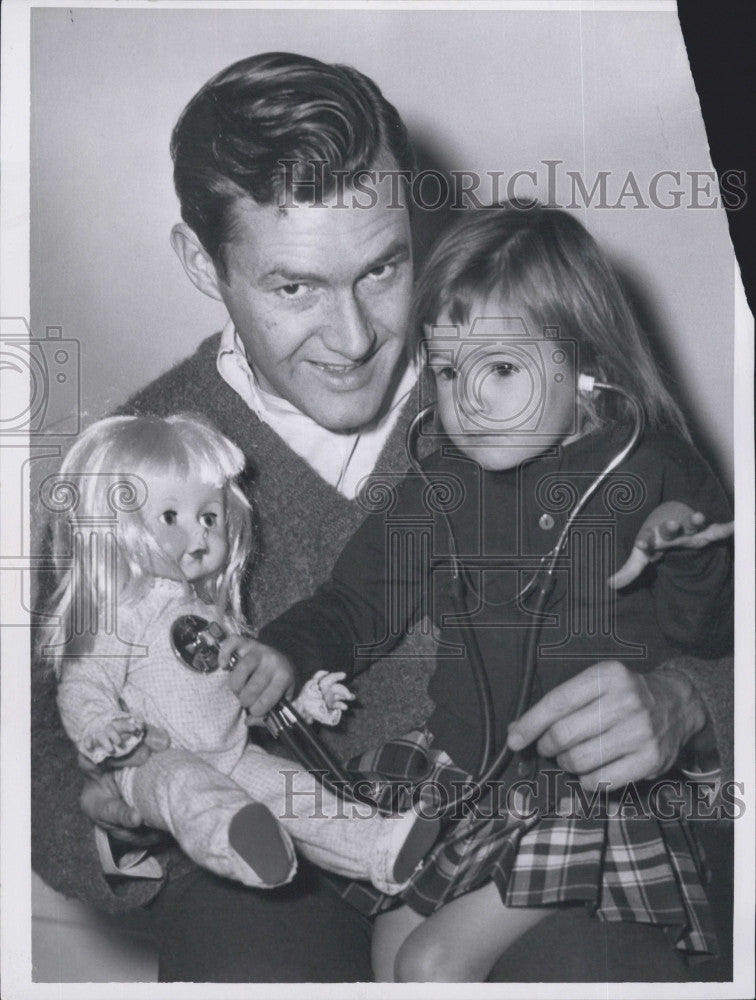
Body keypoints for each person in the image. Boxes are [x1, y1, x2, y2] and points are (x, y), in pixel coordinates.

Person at [30, 52, 734, 982]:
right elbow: (41, 738)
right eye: (295, 288)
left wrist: (690, 705)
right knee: (236, 949)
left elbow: (723, 612)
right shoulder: (134, 466)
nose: (356, 337)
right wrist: (123, 804)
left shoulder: (557, 390)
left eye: (383, 268)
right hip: (284, 852)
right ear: (204, 264)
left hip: (548, 823)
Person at [235, 204, 734, 981]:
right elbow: (357, 602)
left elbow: (710, 633)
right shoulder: (442, 487)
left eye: (501, 369)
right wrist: (287, 651)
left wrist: (694, 552)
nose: (466, 400)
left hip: (593, 796)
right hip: (468, 784)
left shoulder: (654, 475)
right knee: (391, 952)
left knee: (431, 965)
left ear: (587, 362)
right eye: (445, 370)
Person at [45, 412, 438, 896]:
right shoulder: (120, 613)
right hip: (150, 761)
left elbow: (239, 694)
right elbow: (84, 683)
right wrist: (100, 728)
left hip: (233, 752)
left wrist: (299, 703)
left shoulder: (213, 615)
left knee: (298, 791)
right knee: (189, 793)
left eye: (209, 517)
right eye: (171, 516)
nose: (202, 534)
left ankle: (379, 846)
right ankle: (245, 843)